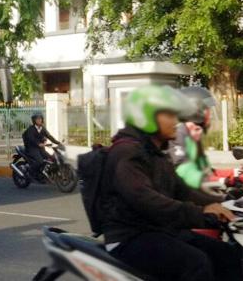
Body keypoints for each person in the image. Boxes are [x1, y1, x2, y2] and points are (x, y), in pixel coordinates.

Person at [100, 85, 241, 281]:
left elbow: (183, 191)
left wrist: (225, 202)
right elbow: (146, 200)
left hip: (159, 230)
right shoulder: (126, 153)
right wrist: (200, 214)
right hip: (130, 237)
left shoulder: (156, 153)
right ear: (146, 117)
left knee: (228, 255)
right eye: (170, 116)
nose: (177, 121)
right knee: (197, 263)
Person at [170, 86, 216, 190]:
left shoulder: (193, 133)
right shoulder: (178, 133)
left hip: (193, 192)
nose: (210, 115)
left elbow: (204, 167)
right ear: (195, 110)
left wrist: (231, 173)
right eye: (207, 110)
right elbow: (182, 169)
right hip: (178, 196)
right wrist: (218, 181)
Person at [22, 112, 60, 178]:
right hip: (31, 149)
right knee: (40, 161)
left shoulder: (42, 128)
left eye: (40, 118)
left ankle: (44, 173)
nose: (39, 120)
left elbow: (49, 136)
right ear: (34, 120)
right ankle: (31, 172)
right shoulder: (31, 129)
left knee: (51, 158)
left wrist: (58, 143)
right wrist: (38, 144)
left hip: (40, 148)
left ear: (42, 119)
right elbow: (31, 139)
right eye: (37, 119)